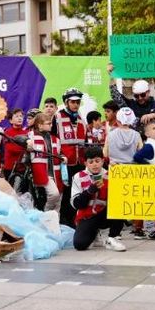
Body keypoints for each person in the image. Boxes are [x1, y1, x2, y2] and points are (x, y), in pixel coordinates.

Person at [71, 146, 125, 252]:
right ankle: (94, 233)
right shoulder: (78, 176)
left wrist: (118, 169)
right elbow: (76, 204)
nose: (94, 164)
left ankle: (112, 237)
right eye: (91, 162)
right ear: (85, 163)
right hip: (87, 215)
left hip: (105, 214)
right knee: (79, 244)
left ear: (102, 161)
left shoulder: (110, 174)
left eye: (97, 161)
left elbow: (122, 193)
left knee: (118, 203)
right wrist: (89, 191)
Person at [51, 88, 87, 227]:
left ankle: (75, 218)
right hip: (65, 161)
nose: (76, 105)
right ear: (66, 102)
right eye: (73, 102)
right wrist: (59, 155)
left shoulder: (80, 118)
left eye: (78, 102)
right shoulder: (58, 117)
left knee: (77, 190)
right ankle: (65, 219)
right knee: (65, 191)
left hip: (79, 161)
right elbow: (54, 138)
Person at [27, 113, 65, 212]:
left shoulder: (55, 139)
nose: (51, 125)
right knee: (54, 194)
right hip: (42, 173)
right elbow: (19, 138)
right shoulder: (31, 136)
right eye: (48, 123)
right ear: (40, 125)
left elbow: (61, 153)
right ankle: (46, 214)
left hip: (56, 173)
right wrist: (26, 142)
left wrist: (64, 157)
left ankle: (55, 224)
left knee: (58, 201)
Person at [2, 108, 28, 179]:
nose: (20, 118)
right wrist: (25, 148)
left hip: (23, 167)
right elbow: (11, 149)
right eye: (17, 116)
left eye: (21, 116)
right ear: (10, 120)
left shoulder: (26, 133)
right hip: (10, 167)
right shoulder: (7, 133)